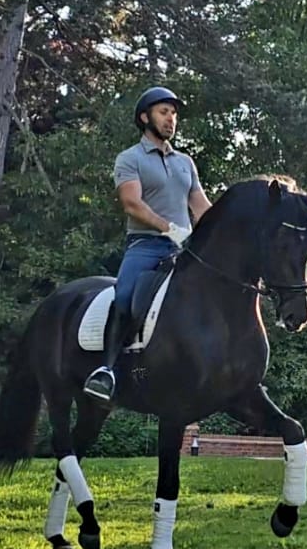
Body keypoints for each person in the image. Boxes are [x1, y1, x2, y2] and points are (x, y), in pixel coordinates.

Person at [83, 86, 211, 403]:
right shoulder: (131, 158)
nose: (171, 119)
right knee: (125, 296)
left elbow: (202, 208)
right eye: (164, 112)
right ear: (145, 117)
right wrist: (170, 228)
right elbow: (132, 204)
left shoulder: (185, 163)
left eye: (173, 113)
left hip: (184, 250)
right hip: (146, 246)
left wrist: (224, 232)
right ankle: (107, 371)